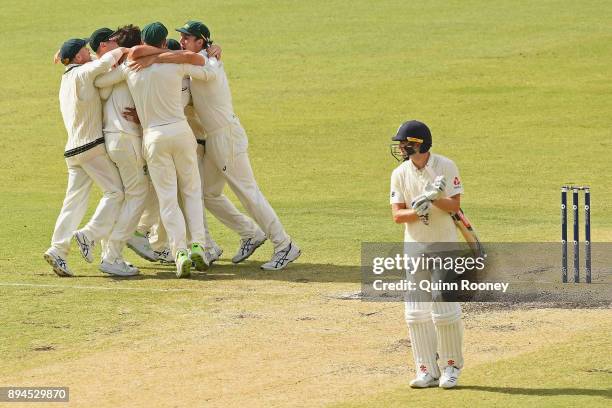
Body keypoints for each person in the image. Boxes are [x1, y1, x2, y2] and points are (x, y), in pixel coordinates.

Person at [130, 20, 301, 270]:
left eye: (188, 37)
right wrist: (160, 56)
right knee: (208, 194)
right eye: (182, 37)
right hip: (215, 138)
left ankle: (284, 245)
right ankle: (251, 234)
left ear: (201, 41)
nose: (184, 40)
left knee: (248, 191)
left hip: (226, 135)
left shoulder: (208, 62)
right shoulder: (197, 58)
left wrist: (155, 56)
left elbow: (190, 64)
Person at [94, 22, 218, 278]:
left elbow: (102, 82)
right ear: (163, 43)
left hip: (153, 137)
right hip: (181, 133)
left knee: (168, 198)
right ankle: (198, 245)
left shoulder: (131, 67)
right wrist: (211, 53)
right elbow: (204, 66)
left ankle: (179, 252)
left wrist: (122, 58)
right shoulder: (175, 63)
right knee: (192, 192)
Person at [389, 120, 465, 389]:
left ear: (419, 144)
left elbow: (455, 206)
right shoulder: (399, 173)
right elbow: (398, 215)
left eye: (404, 143)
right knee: (415, 313)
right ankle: (426, 370)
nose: (400, 147)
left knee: (444, 310)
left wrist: (433, 199)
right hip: (415, 249)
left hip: (444, 246)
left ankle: (451, 367)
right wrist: (418, 210)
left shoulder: (445, 166)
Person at [44, 37, 128, 277]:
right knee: (116, 192)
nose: (88, 51)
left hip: (72, 151)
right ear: (79, 58)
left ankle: (58, 249)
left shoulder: (67, 78)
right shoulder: (83, 74)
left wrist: (66, 53)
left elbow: (93, 61)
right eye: (84, 49)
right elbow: (104, 63)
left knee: (73, 202)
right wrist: (125, 49)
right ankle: (88, 235)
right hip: (90, 147)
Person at [90, 26, 156, 276]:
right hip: (126, 139)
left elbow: (101, 85)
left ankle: (112, 252)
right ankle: (112, 254)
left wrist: (114, 62)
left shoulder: (120, 69)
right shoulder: (130, 67)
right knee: (137, 194)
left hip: (113, 141)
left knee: (129, 195)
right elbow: (100, 83)